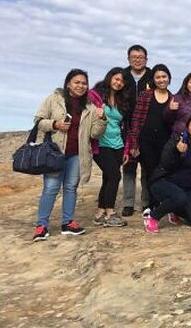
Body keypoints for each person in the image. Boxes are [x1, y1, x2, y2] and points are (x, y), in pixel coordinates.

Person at [32, 69, 107, 242]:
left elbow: (95, 134)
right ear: (68, 84)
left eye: (84, 83)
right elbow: (38, 121)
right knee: (51, 188)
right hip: (55, 153)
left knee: (70, 188)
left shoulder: (90, 107)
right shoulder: (54, 99)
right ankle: (41, 225)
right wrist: (55, 124)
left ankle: (67, 223)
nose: (81, 86)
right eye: (77, 82)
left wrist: (102, 119)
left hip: (77, 154)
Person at [143, 113, 191, 233]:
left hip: (187, 189)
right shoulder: (177, 140)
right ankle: (152, 216)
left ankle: (175, 210)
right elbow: (165, 163)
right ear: (187, 126)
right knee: (179, 197)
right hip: (164, 182)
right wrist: (176, 151)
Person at [125, 64, 174, 215]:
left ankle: (161, 202)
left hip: (165, 142)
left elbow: (173, 122)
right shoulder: (146, 95)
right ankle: (151, 205)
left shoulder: (173, 98)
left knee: (163, 172)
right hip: (146, 141)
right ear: (153, 79)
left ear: (169, 78)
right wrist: (134, 143)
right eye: (158, 77)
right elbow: (136, 120)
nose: (161, 80)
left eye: (164, 76)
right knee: (149, 173)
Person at [88, 67, 130, 227]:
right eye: (116, 79)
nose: (119, 83)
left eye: (122, 81)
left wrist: (126, 149)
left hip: (117, 144)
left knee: (108, 177)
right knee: (114, 176)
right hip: (100, 144)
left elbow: (123, 126)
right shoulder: (95, 95)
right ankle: (110, 212)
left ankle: (99, 212)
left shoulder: (122, 100)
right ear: (110, 77)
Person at [121, 44, 153, 217]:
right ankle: (128, 203)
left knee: (147, 168)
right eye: (134, 57)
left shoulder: (152, 76)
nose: (137, 60)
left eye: (141, 57)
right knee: (129, 167)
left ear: (146, 59)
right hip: (126, 127)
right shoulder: (122, 75)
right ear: (129, 59)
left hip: (147, 128)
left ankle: (146, 202)